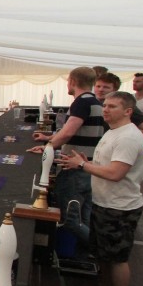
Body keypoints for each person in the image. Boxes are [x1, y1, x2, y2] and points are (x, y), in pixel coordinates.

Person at [59, 92, 143, 286]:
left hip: (119, 207)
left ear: (128, 111)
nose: (106, 110)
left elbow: (116, 173)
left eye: (113, 106)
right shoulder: (114, 132)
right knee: (103, 256)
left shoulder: (128, 137)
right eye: (105, 105)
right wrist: (86, 163)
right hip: (105, 202)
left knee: (117, 259)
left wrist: (83, 166)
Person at [30, 66, 104, 249]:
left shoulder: (81, 102)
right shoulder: (94, 101)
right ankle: (83, 253)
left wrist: (48, 147)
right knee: (82, 216)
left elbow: (67, 133)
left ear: (72, 81)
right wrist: (50, 139)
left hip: (75, 169)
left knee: (71, 219)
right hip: (87, 167)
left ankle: (101, 250)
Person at [93, 73, 143, 144]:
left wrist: (124, 143)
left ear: (115, 89)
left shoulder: (124, 106)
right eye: (98, 86)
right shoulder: (90, 102)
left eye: (106, 87)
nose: (101, 89)